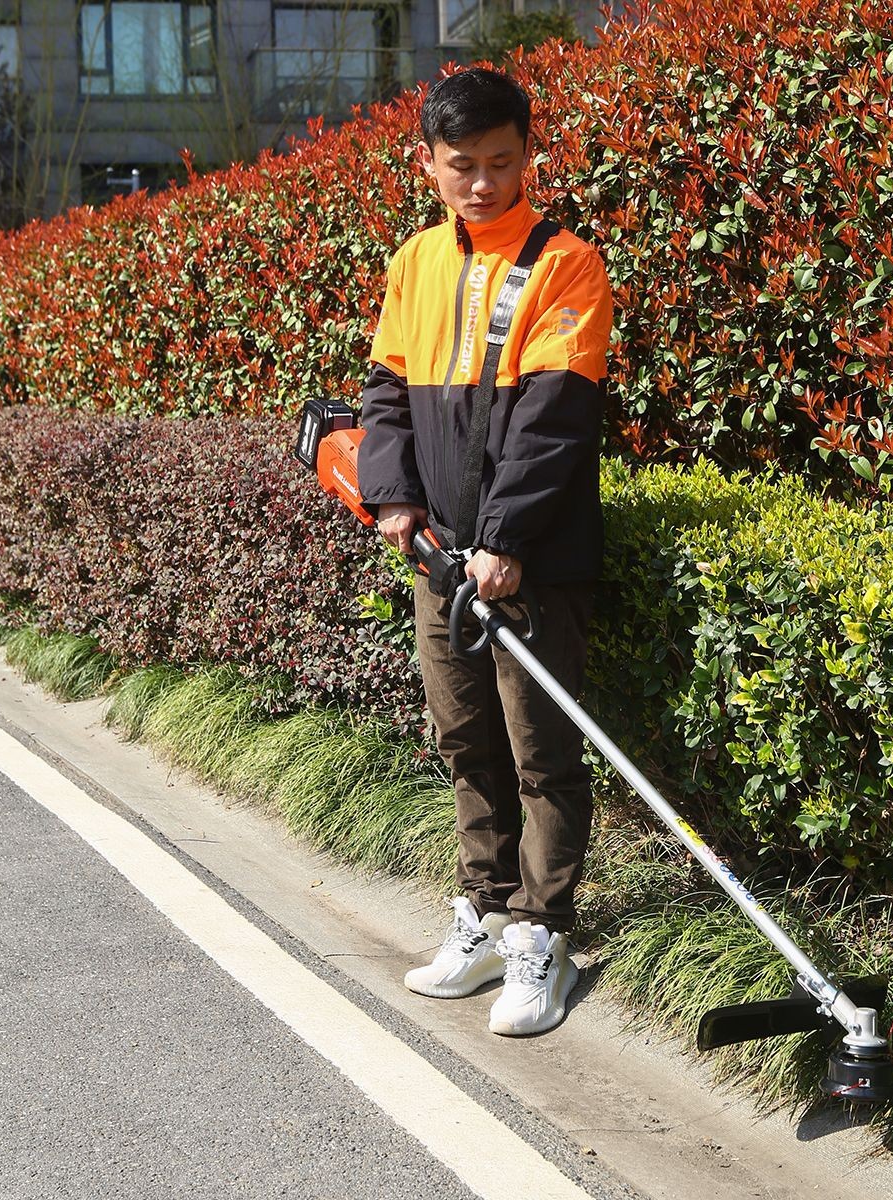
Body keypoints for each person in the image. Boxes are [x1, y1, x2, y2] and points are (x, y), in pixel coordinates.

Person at [358, 67, 613, 1036]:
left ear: (528, 157)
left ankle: (540, 936)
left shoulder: (566, 263)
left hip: (532, 559)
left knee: (541, 754)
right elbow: (386, 389)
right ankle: (480, 908)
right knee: (466, 741)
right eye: (462, 166)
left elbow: (553, 422)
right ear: (428, 163)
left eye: (502, 164)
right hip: (438, 556)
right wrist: (393, 498)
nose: (482, 183)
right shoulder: (416, 259)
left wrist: (504, 540)